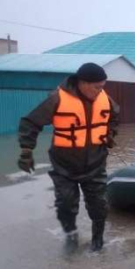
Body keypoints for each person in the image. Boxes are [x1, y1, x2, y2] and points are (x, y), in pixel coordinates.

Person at [17, 63, 119, 252]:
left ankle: (98, 239)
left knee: (99, 205)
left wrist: (109, 133)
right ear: (83, 83)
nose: (100, 91)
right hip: (64, 166)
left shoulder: (104, 99)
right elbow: (30, 122)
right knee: (65, 204)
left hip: (95, 163)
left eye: (102, 86)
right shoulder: (57, 99)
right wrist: (26, 150)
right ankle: (71, 237)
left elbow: (115, 115)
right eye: (97, 87)